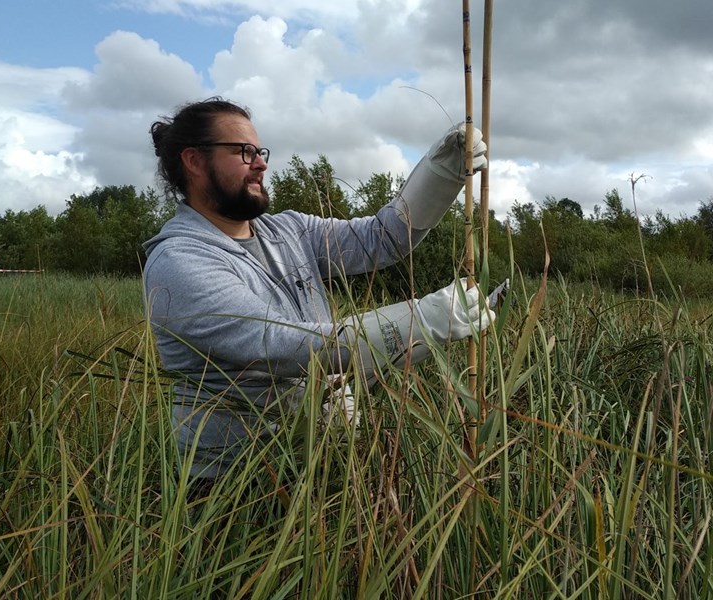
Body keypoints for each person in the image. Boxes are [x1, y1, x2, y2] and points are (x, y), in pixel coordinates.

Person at [143, 97, 495, 482]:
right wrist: (420, 323)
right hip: (239, 485)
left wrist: (440, 173)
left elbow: (383, 239)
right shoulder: (179, 261)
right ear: (194, 161)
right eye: (243, 152)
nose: (260, 163)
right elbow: (279, 345)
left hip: (332, 464)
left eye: (259, 151)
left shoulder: (289, 231)